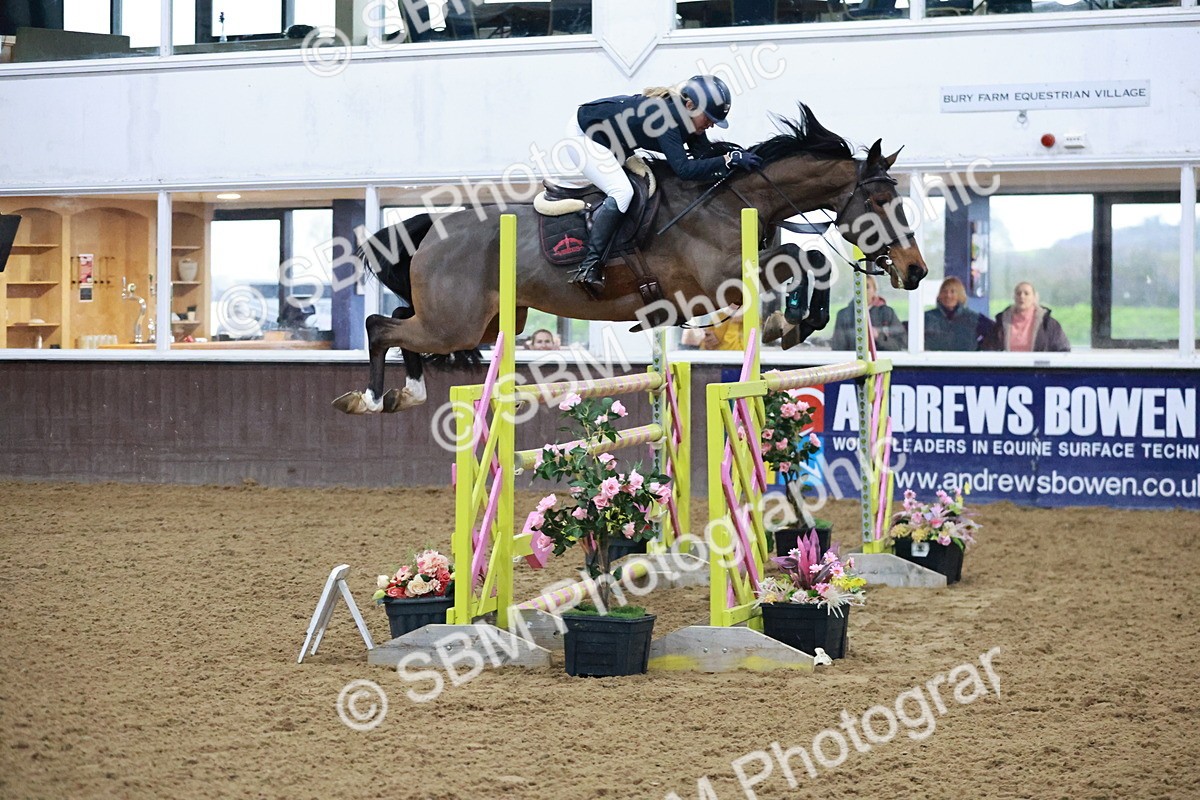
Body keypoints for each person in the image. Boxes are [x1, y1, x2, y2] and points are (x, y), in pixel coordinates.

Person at [564, 75, 762, 297]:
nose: (712, 124)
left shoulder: (688, 117)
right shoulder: (666, 118)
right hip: (584, 137)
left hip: (612, 140)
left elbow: (703, 155)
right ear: (690, 105)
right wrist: (727, 160)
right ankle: (589, 265)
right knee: (622, 192)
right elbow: (684, 170)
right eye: (708, 117)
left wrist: (736, 156)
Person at [981, 281, 1070, 352]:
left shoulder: (1048, 324)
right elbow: (989, 348)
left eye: (1026, 293)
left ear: (1034, 297)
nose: (1022, 297)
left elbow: (1063, 349)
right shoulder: (1001, 323)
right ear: (1014, 297)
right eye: (1018, 293)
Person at [830, 275, 906, 351]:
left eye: (867, 287)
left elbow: (900, 345)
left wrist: (878, 336)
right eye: (859, 286)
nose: (863, 290)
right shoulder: (843, 315)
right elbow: (838, 347)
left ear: (874, 290)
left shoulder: (888, 313)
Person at [924, 277, 993, 351]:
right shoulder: (927, 318)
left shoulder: (974, 319)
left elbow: (995, 333)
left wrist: (979, 348)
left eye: (952, 292)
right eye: (944, 291)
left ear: (960, 295)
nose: (948, 295)